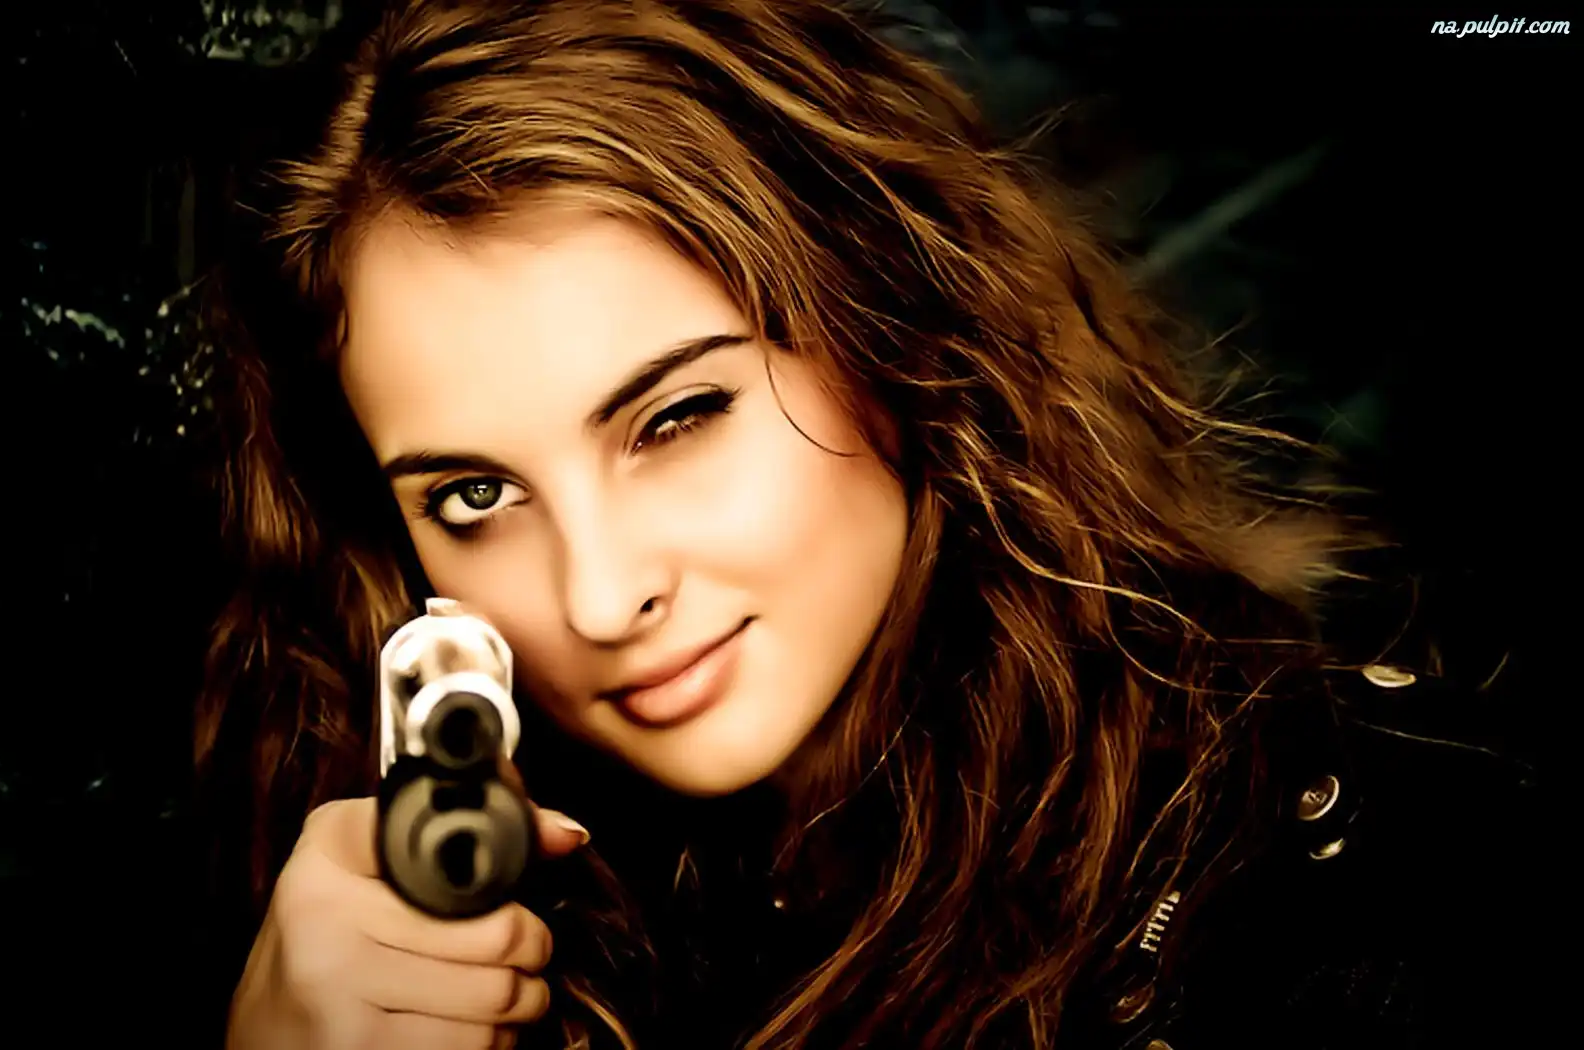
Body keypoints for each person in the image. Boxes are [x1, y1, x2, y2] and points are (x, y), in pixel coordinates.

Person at [194, 1, 1552, 1048]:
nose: (599, 597)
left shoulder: (1376, 886)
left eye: (677, 417)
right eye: (476, 496)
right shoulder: (443, 934)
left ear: (886, 328)